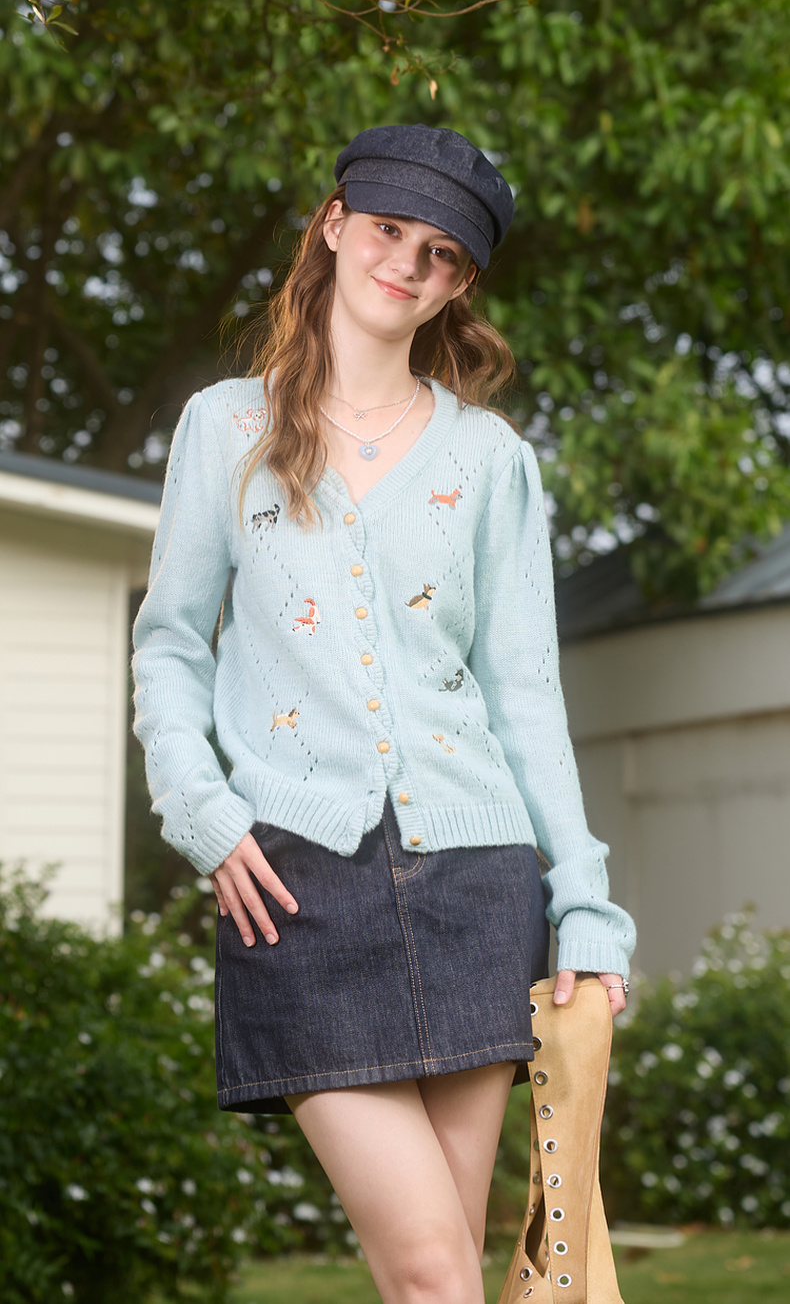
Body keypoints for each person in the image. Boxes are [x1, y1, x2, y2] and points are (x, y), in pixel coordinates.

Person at [132, 124, 636, 1304]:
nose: (406, 263)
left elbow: (525, 693)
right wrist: (202, 811)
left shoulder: (490, 461)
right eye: (389, 229)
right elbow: (169, 646)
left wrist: (585, 902)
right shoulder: (225, 429)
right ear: (333, 224)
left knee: (436, 1279)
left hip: (476, 885)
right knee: (429, 1270)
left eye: (441, 253)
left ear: (459, 283)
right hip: (293, 885)